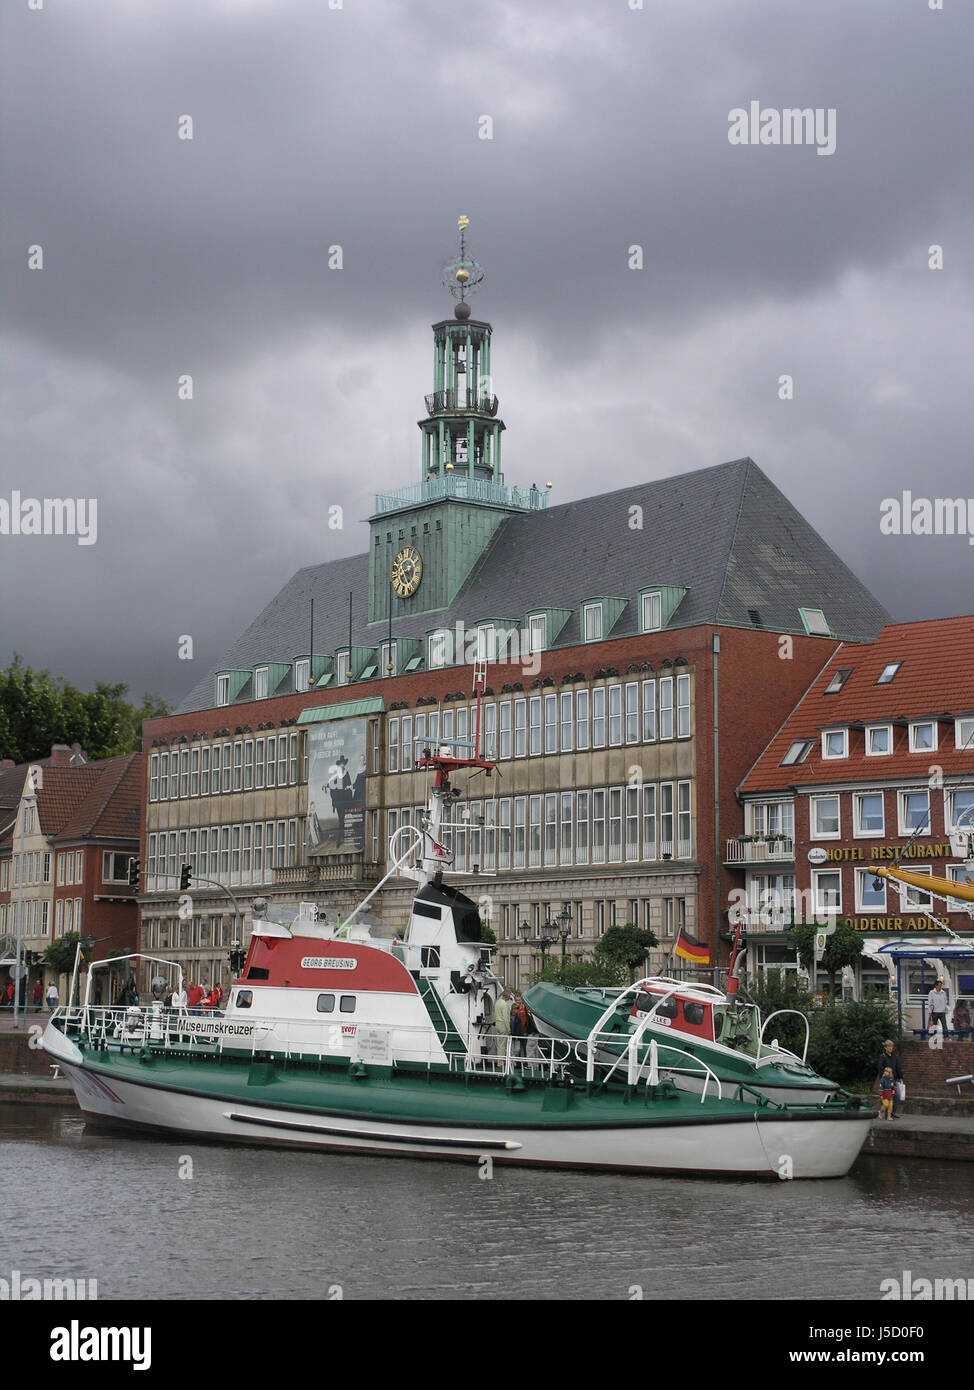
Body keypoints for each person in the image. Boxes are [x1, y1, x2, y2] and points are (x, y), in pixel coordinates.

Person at [876, 1039, 905, 1117]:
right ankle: (886, 1113)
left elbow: (898, 1067)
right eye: (889, 1046)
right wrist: (883, 1079)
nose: (890, 1048)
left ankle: (892, 1112)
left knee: (897, 1096)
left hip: (894, 1080)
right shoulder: (883, 1057)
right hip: (886, 1081)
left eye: (891, 1046)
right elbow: (880, 1068)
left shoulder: (894, 1056)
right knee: (888, 1097)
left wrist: (901, 1077)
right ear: (885, 1047)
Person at [494, 989, 513, 1058]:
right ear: (507, 996)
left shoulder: (497, 1002)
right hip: (503, 1025)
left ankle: (499, 1061)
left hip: (497, 1024)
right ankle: (501, 1062)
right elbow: (505, 1018)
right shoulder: (504, 1004)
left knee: (499, 1044)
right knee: (503, 1044)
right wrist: (508, 1029)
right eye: (509, 996)